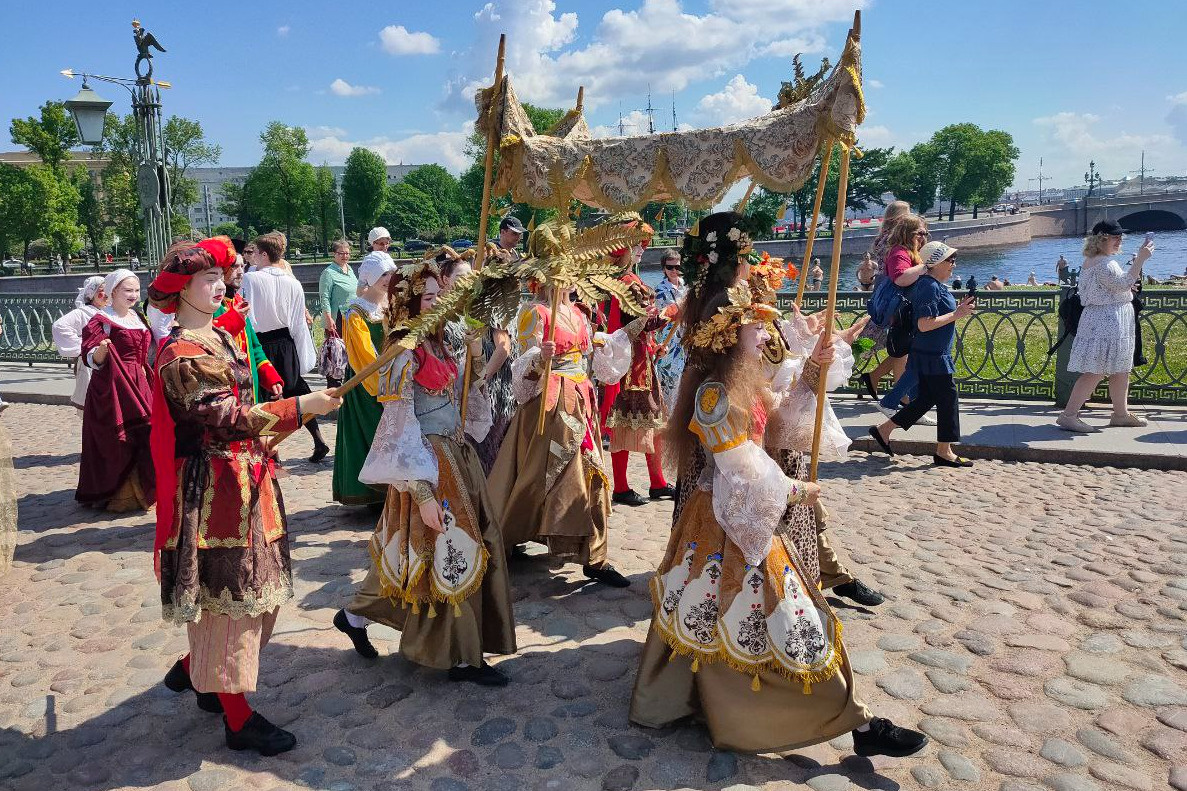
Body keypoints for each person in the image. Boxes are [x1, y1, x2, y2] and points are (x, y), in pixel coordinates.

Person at [628, 278, 928, 759]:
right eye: (756, 325)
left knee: (753, 611)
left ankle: (843, 714)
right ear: (728, 333)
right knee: (783, 610)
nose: (767, 333)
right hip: (727, 519)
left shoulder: (749, 379)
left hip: (743, 516)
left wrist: (812, 373)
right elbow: (740, 466)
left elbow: (782, 425)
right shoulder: (713, 394)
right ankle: (847, 717)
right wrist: (796, 490)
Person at [149, 239, 341, 756]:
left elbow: (246, 400)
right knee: (230, 600)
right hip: (214, 493)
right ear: (180, 289)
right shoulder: (179, 353)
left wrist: (279, 406)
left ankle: (200, 674)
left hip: (247, 478)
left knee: (255, 594)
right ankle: (238, 719)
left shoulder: (217, 335)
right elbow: (224, 418)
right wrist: (300, 408)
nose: (220, 285)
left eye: (220, 277)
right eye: (207, 279)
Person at [333, 258, 517, 685]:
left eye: (441, 294)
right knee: (448, 552)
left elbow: (460, 398)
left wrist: (473, 359)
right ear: (411, 304)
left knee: (417, 552)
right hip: (427, 463)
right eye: (431, 296)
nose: (440, 302)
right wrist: (422, 491)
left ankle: (355, 616)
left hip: (456, 453)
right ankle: (457, 655)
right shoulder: (403, 351)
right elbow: (399, 425)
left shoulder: (441, 339)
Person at [487, 219, 636, 589]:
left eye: (570, 272)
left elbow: (593, 359)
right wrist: (540, 358)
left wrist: (613, 341)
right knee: (537, 476)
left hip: (580, 400)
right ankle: (503, 538)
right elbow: (522, 364)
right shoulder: (534, 313)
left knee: (591, 472)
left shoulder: (581, 314)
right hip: (549, 405)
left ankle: (596, 556)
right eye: (558, 272)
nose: (566, 279)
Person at [868, 242, 977, 467]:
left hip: (931, 353)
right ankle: (944, 451)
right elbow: (924, 324)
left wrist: (957, 310)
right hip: (932, 356)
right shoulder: (929, 286)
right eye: (949, 260)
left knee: (927, 398)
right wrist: (957, 313)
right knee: (948, 398)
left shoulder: (933, 284)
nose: (953, 265)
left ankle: (884, 430)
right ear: (935, 263)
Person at [599, 221, 674, 507]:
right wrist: (671, 312)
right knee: (626, 422)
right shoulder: (628, 282)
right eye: (638, 244)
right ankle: (622, 486)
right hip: (631, 364)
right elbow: (639, 322)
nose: (643, 249)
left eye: (644, 243)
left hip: (639, 359)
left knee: (653, 421)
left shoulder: (620, 278)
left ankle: (657, 482)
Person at [1057, 220, 1153, 433]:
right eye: (1115, 237)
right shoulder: (1104, 263)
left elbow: (1115, 287)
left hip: (1108, 319)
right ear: (1101, 239)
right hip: (1106, 321)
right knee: (1096, 370)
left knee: (1120, 369)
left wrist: (1128, 286)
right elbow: (1121, 283)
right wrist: (1140, 260)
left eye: (1121, 237)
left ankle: (1121, 414)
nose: (1120, 241)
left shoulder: (1095, 260)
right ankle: (1069, 415)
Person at [244, 232, 330, 462]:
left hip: (261, 341)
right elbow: (298, 322)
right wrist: (301, 354)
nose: (252, 258)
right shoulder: (292, 281)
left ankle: (272, 451)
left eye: (255, 253)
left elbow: (248, 315)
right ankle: (318, 439)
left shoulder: (251, 279)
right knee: (297, 390)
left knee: (263, 396)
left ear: (263, 254)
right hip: (286, 342)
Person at [76, 269, 156, 511]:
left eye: (136, 290)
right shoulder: (100, 321)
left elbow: (148, 351)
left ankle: (142, 491)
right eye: (127, 290)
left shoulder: (138, 318)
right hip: (112, 386)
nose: (133, 295)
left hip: (140, 382)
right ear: (112, 293)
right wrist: (100, 350)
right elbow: (90, 355)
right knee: (117, 440)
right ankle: (115, 494)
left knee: (148, 433)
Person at [332, 250, 395, 506]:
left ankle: (393, 491)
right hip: (366, 380)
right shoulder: (355, 312)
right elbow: (364, 356)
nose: (389, 278)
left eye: (391, 273)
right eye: (383, 274)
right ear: (370, 277)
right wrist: (381, 385)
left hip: (391, 375)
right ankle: (372, 493)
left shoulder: (390, 306)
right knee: (370, 431)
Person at [862, 215, 935, 425]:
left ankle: (906, 405)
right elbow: (900, 277)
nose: (924, 237)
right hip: (902, 317)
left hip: (909, 315)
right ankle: (902, 404)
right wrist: (927, 266)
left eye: (925, 233)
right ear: (907, 233)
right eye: (920, 233)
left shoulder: (912, 252)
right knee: (914, 362)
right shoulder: (899, 252)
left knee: (913, 362)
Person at [212, 239, 284, 405]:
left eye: (242, 266)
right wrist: (233, 319)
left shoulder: (238, 301)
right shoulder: (211, 306)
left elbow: (254, 346)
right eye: (234, 267)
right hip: (226, 391)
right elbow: (210, 339)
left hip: (249, 389)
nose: (240, 272)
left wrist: (271, 378)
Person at [52, 276, 108, 409]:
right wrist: (84, 345)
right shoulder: (82, 313)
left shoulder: (109, 311)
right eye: (102, 291)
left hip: (107, 361)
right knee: (92, 400)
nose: (106, 295)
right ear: (92, 294)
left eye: (108, 290)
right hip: (89, 363)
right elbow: (59, 326)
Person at [319, 240, 359, 387]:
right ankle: (333, 388)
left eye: (347, 253)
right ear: (334, 254)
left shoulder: (350, 270)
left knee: (350, 353)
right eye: (341, 253)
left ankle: (348, 385)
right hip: (337, 319)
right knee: (336, 355)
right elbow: (324, 297)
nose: (345, 256)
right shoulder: (329, 273)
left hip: (352, 318)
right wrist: (328, 318)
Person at [653, 248, 687, 412]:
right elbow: (663, 316)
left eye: (677, 267)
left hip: (686, 343)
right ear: (663, 269)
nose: (674, 271)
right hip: (669, 345)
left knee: (685, 388)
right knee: (670, 388)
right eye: (670, 267)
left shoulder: (686, 287)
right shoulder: (659, 291)